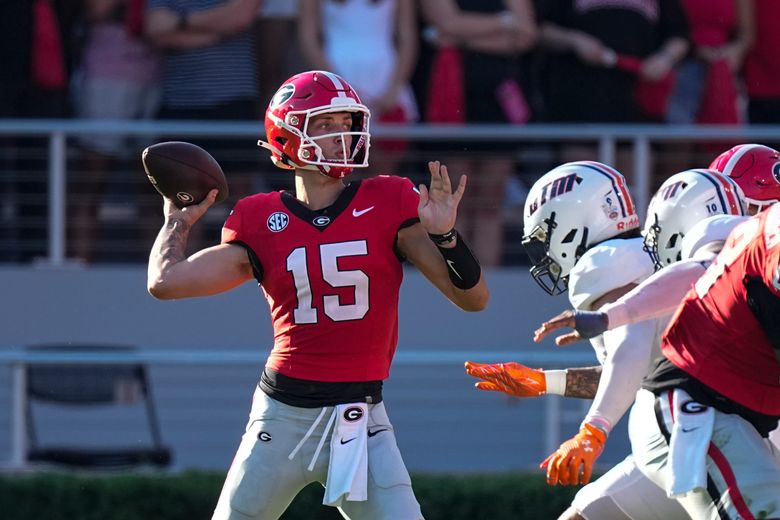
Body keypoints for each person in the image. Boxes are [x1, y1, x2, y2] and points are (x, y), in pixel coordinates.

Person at [147, 70, 489, 520]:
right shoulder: (259, 217)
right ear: (288, 136)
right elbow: (165, 283)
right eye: (325, 124)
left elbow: (473, 299)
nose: (342, 134)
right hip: (282, 417)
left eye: (345, 122)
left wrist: (446, 238)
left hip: (361, 417)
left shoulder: (389, 200)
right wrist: (179, 220)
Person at [467, 165, 747, 520]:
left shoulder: (602, 265)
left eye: (544, 238)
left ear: (568, 224)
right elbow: (644, 369)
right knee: (587, 514)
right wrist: (545, 381)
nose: (545, 256)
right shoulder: (638, 254)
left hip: (704, 431)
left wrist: (592, 431)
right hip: (709, 422)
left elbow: (632, 342)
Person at [536, 202, 780, 519]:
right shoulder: (767, 241)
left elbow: (692, 274)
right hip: (698, 409)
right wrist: (593, 428)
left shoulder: (751, 237)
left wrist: (609, 316)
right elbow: (633, 348)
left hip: (725, 413)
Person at [419, 0, 538, 267]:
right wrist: (504, 24)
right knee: (453, 201)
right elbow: (446, 22)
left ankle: (484, 284)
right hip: (452, 100)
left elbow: (527, 35)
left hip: (498, 103)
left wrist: (461, 38)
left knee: (490, 201)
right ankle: (454, 280)